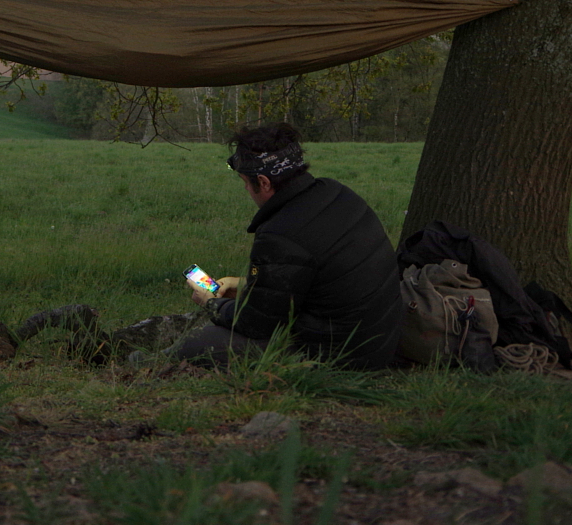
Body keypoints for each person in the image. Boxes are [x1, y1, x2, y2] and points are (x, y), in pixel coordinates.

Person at [168, 122, 404, 369]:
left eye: (246, 182)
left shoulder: (280, 234)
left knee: (199, 342)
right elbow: (313, 277)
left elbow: (256, 324)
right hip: (381, 338)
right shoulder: (337, 193)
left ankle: (142, 362)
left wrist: (211, 302)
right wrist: (245, 284)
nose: (247, 190)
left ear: (264, 182)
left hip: (342, 356)